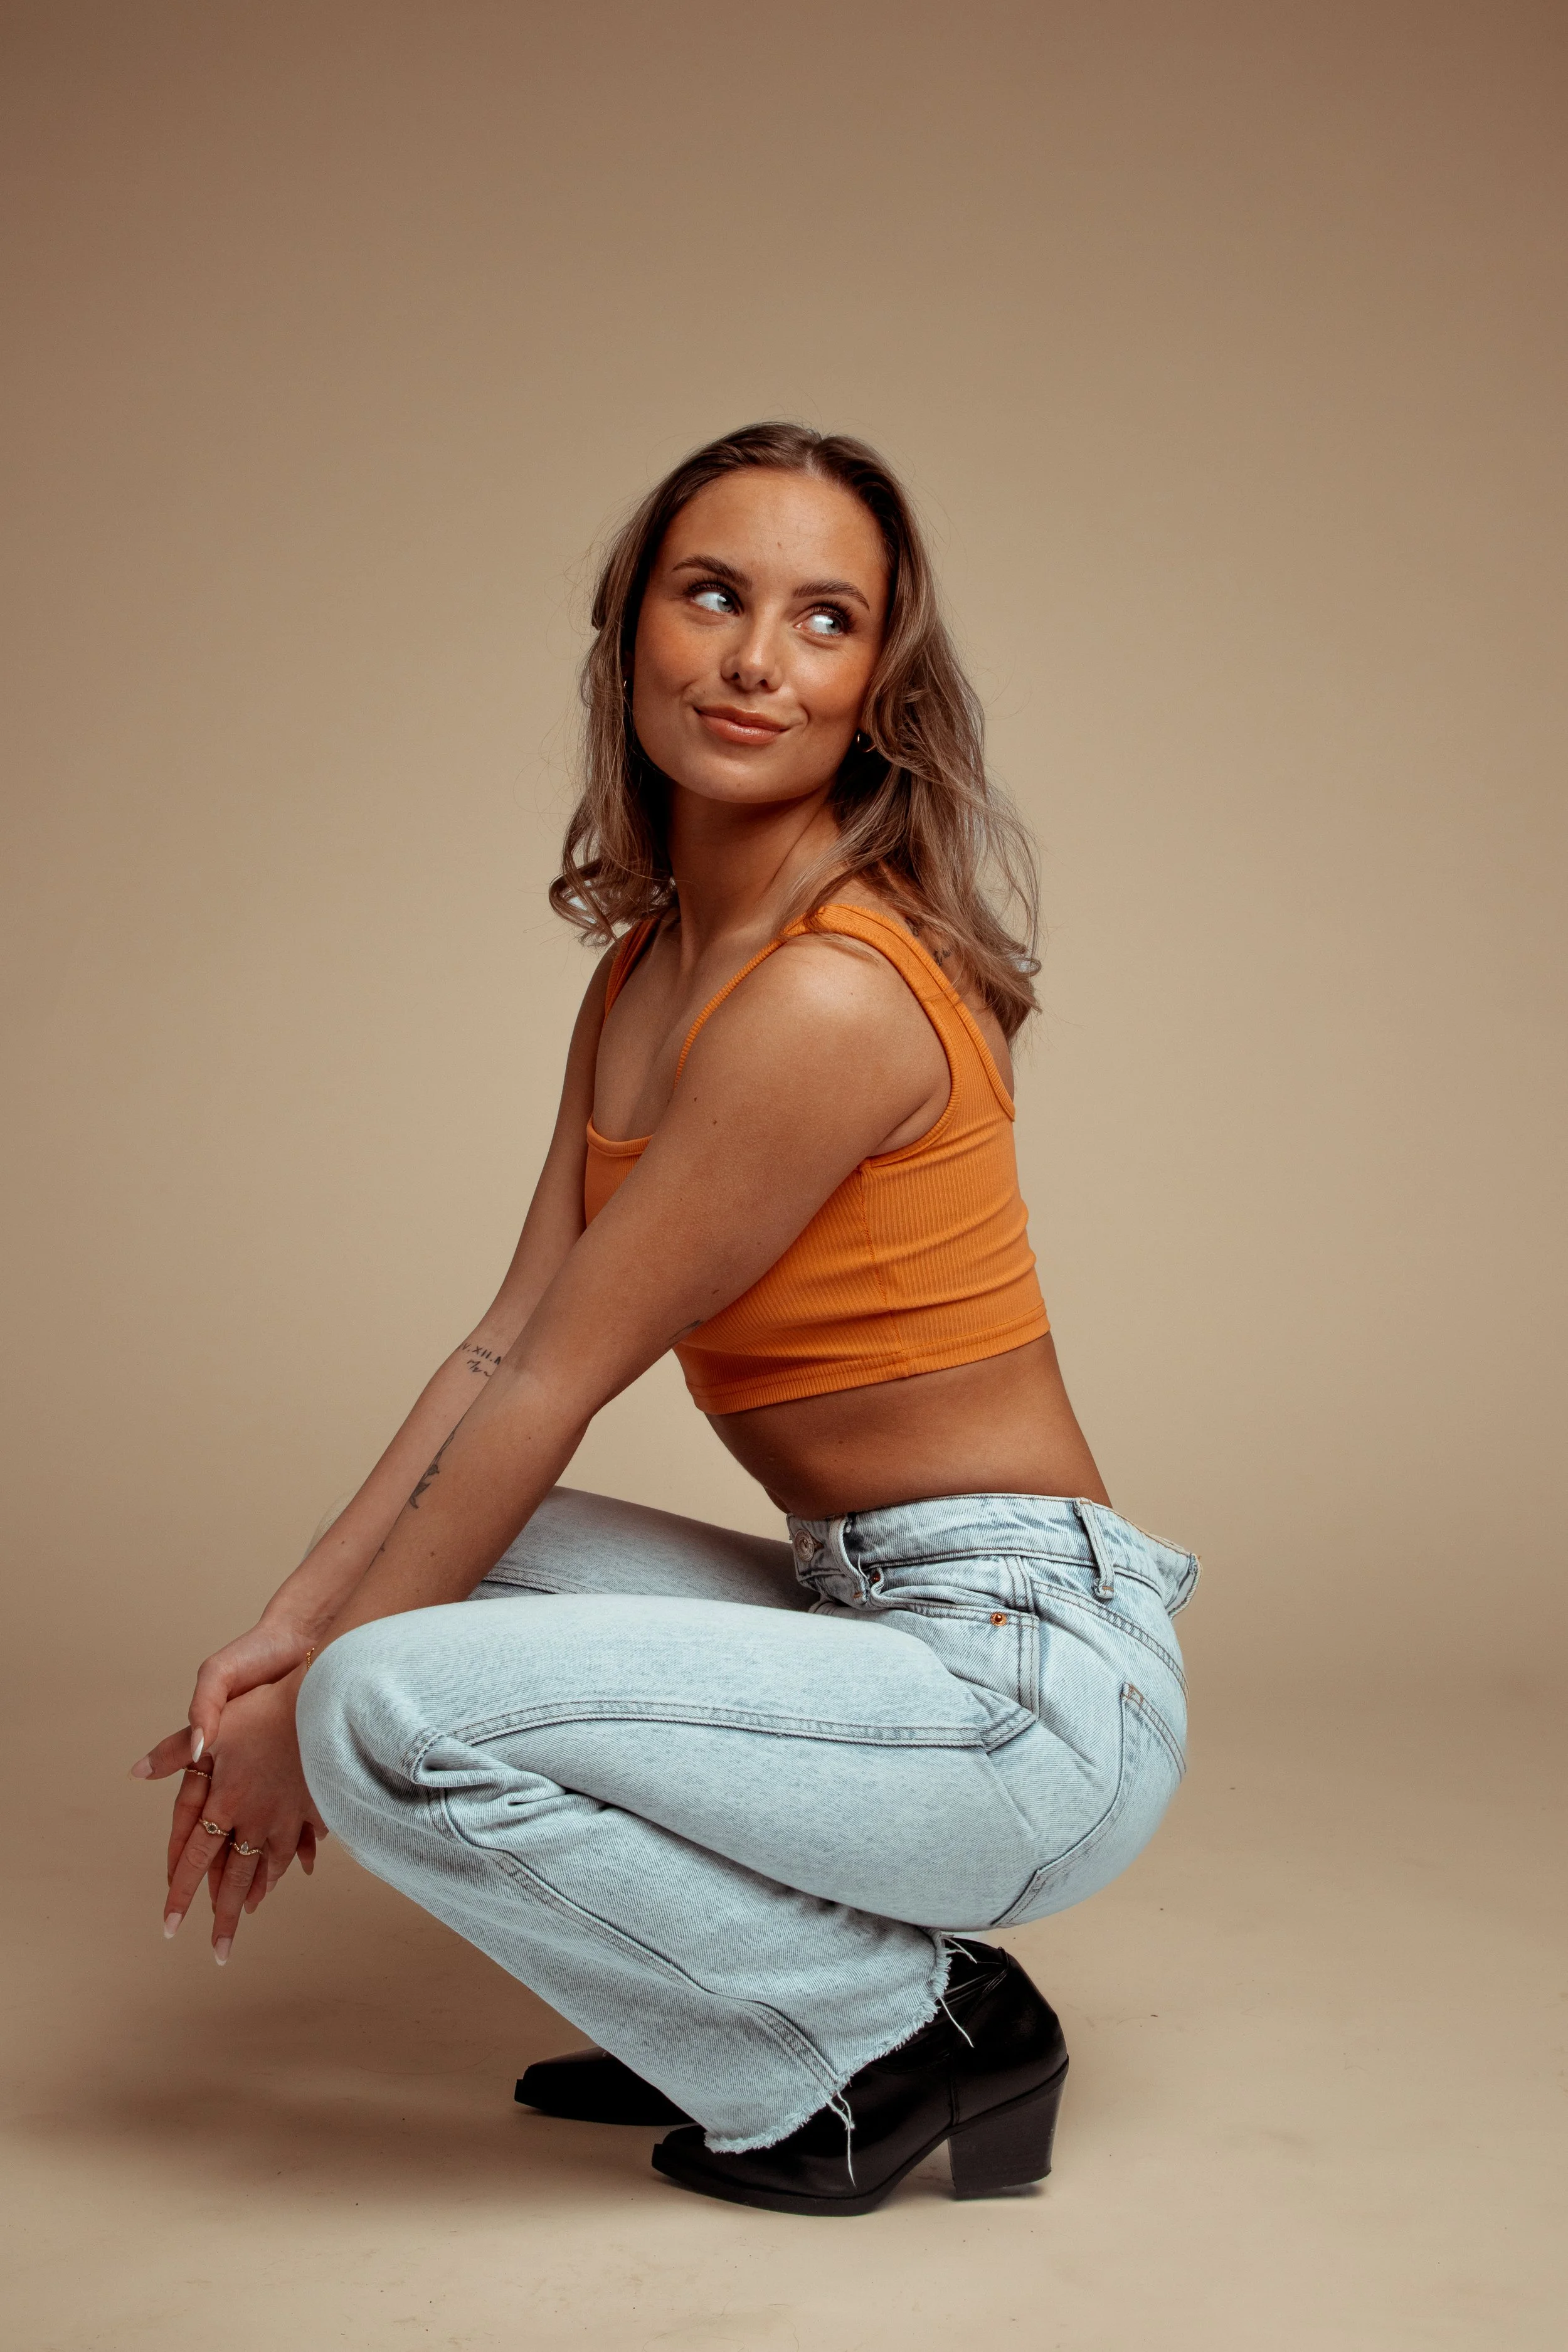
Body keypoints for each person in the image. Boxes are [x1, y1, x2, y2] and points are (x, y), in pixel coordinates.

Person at [131, 422, 1197, 2218]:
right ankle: (729, 1993)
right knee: (437, 1592)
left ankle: (879, 2030)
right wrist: (269, 1642)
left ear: (880, 685)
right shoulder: (647, 969)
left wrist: (313, 1704)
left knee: (386, 1707)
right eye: (711, 594)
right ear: (631, 631)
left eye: (823, 619)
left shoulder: (829, 998)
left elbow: (558, 1376)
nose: (754, 658)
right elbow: (497, 1343)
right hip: (881, 1614)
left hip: (1025, 1695)